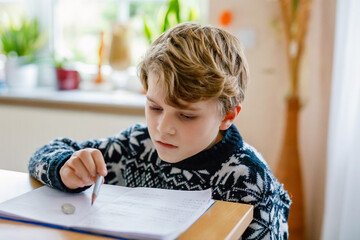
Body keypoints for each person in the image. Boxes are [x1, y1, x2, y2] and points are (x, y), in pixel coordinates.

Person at [29, 22, 290, 239]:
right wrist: (66, 167)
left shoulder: (250, 183)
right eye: (155, 108)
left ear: (228, 115)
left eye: (186, 116)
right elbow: (42, 155)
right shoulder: (138, 144)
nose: (163, 129)